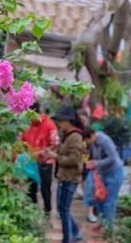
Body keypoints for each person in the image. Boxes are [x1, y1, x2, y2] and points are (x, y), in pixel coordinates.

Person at [52, 106, 85, 242]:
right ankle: (76, 233)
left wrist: (57, 157)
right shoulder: (67, 136)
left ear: (68, 121)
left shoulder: (75, 137)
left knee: (64, 210)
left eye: (60, 121)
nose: (59, 124)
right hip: (64, 177)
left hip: (70, 178)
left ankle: (68, 239)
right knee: (62, 208)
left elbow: (74, 159)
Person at [83, 127, 124, 232]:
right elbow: (97, 157)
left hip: (114, 172)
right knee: (100, 198)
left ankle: (109, 226)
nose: (88, 144)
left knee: (110, 201)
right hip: (103, 173)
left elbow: (112, 158)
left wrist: (96, 163)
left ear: (92, 135)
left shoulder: (104, 141)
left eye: (88, 141)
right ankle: (102, 222)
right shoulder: (94, 143)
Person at [21, 102, 59, 213]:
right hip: (31, 162)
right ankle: (33, 212)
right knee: (31, 188)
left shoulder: (49, 124)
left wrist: (43, 152)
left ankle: (47, 211)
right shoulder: (27, 125)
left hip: (45, 162)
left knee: (45, 188)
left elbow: (55, 144)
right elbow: (22, 142)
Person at [76, 109, 98, 223]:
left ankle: (91, 212)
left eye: (83, 118)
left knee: (91, 190)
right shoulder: (79, 134)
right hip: (87, 167)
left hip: (91, 167)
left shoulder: (90, 133)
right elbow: (84, 153)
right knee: (89, 190)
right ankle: (90, 213)